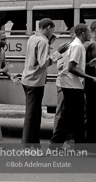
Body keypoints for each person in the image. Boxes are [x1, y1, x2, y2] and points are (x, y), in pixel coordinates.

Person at [21, 18, 69, 149]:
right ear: (48, 27)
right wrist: (58, 52)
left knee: (33, 115)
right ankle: (29, 146)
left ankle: (33, 146)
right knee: (33, 117)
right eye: (52, 29)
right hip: (35, 82)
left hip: (27, 79)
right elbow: (44, 63)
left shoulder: (33, 38)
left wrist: (49, 43)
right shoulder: (42, 42)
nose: (52, 32)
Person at [49, 24, 96, 148]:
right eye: (89, 32)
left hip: (73, 85)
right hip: (72, 85)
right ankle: (55, 145)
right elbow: (71, 68)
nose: (91, 34)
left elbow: (74, 65)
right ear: (83, 33)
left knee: (76, 119)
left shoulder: (77, 45)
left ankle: (77, 146)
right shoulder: (77, 46)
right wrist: (90, 77)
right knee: (69, 118)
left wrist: (88, 64)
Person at [51, 28, 76, 147]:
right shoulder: (66, 47)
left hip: (72, 84)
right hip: (63, 83)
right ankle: (56, 141)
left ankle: (67, 138)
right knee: (60, 112)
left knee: (68, 112)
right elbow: (60, 66)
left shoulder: (78, 47)